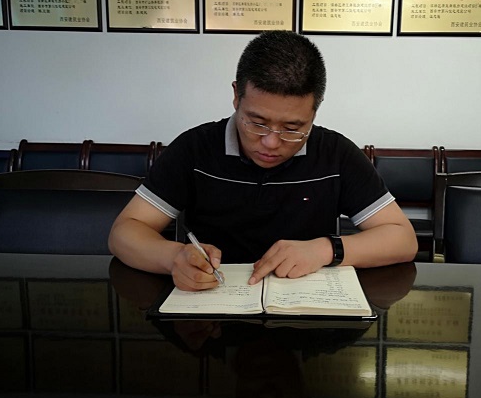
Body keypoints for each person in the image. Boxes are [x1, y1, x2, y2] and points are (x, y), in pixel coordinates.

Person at [108, 30, 417, 291]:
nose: (271, 142)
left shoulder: (336, 154)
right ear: (236, 96)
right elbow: (125, 232)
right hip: (213, 309)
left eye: (293, 128)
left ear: (315, 109)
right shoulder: (195, 149)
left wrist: (327, 249)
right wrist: (173, 257)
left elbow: (402, 238)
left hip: (306, 312)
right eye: (257, 123)